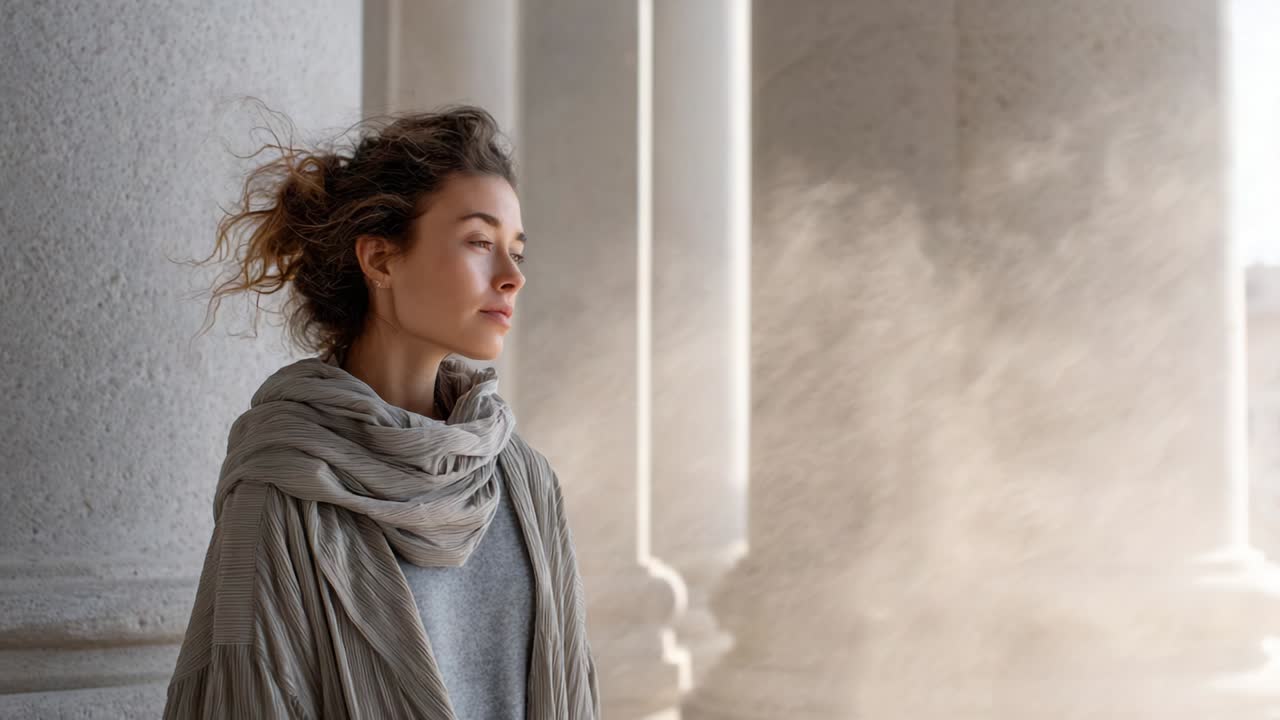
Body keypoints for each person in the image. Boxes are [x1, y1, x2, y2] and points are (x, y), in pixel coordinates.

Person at [163, 101, 601, 719]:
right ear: (380, 259)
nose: (512, 277)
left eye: (517, 251)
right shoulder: (283, 486)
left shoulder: (524, 481)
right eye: (479, 241)